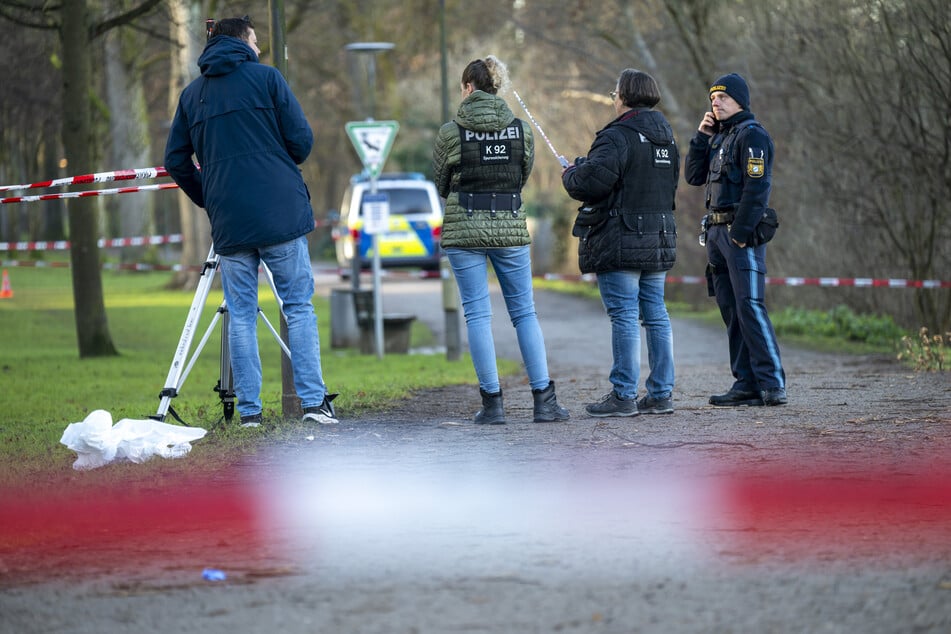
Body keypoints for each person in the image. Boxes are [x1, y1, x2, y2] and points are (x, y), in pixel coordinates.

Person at [164, 16, 338, 425]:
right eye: (256, 41)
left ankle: (249, 413)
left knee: (240, 313)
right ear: (243, 41)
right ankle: (313, 404)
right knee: (298, 307)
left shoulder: (192, 96)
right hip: (280, 212)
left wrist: (210, 197)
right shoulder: (268, 79)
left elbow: (175, 160)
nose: (259, 48)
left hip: (231, 221)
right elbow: (301, 142)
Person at [432, 56, 569, 425]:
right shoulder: (521, 130)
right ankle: (544, 401)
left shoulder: (450, 132)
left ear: (468, 88)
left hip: (464, 229)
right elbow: (521, 175)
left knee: (477, 314)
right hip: (508, 225)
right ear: (497, 87)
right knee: (524, 313)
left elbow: (442, 183)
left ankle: (492, 405)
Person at [561, 69, 679, 417]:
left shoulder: (617, 136)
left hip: (622, 238)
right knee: (656, 315)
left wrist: (571, 173)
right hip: (660, 236)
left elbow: (592, 184)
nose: (613, 98)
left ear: (625, 96)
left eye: (615, 92)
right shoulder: (667, 137)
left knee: (624, 315)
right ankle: (660, 394)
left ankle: (623, 395)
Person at [684, 73, 787, 406]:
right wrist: (701, 137)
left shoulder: (752, 136)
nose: (715, 102)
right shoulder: (719, 137)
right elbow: (693, 176)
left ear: (740, 100)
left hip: (738, 234)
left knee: (750, 307)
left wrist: (740, 235)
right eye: (712, 98)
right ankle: (745, 383)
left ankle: (772, 384)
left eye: (723, 98)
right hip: (715, 234)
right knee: (731, 310)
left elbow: (758, 189)